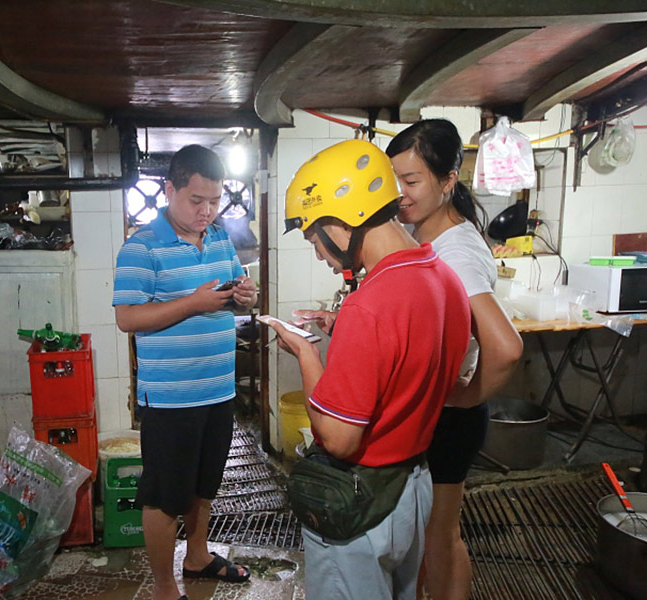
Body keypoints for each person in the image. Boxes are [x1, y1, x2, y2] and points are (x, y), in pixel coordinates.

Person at [272, 139, 471, 599]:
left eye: (313, 238)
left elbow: (340, 440)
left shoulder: (371, 304)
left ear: (342, 224)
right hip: (413, 486)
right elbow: (417, 371)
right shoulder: (443, 277)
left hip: (362, 499)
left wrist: (307, 356)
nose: (320, 254)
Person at [385, 119, 523, 600]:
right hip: (436, 413)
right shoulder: (429, 238)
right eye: (393, 180)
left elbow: (505, 348)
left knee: (439, 539)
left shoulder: (456, 251)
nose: (399, 193)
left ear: (447, 182)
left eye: (412, 180)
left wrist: (464, 397)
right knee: (430, 538)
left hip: (449, 420)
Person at [112, 144, 257, 600]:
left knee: (204, 485)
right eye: (197, 201)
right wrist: (192, 302)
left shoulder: (218, 238)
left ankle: (197, 556)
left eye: (215, 201)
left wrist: (245, 295)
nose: (207, 211)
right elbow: (128, 319)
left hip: (217, 388)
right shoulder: (141, 247)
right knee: (164, 495)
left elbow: (234, 284)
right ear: (170, 190)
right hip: (172, 398)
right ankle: (162, 587)